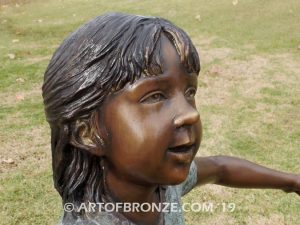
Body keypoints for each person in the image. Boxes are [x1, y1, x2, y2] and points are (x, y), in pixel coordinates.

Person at [42, 13, 300, 225]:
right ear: (88, 132)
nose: (191, 113)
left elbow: (220, 169)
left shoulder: (161, 184)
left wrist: (292, 181)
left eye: (190, 92)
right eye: (154, 96)